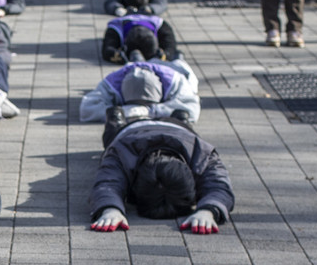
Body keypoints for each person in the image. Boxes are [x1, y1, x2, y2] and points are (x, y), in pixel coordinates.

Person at [88, 67, 232, 234]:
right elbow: (107, 183)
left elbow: (219, 185)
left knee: (113, 135)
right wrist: (110, 208)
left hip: (173, 129)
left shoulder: (201, 152)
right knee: (112, 133)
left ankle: (178, 117)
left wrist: (209, 211)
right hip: (133, 131)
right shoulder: (123, 151)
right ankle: (120, 117)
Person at [79, 55, 199, 124]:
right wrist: (128, 110)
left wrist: (150, 111)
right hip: (134, 67)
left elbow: (192, 110)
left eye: (148, 103)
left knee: (187, 73)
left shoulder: (175, 81)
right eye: (135, 103)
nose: (142, 106)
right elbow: (86, 110)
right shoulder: (113, 83)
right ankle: (138, 57)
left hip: (172, 67)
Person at [101, 12, 178, 63]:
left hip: (147, 14)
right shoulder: (115, 27)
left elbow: (171, 47)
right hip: (127, 15)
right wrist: (119, 55)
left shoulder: (161, 25)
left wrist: (164, 55)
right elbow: (107, 50)